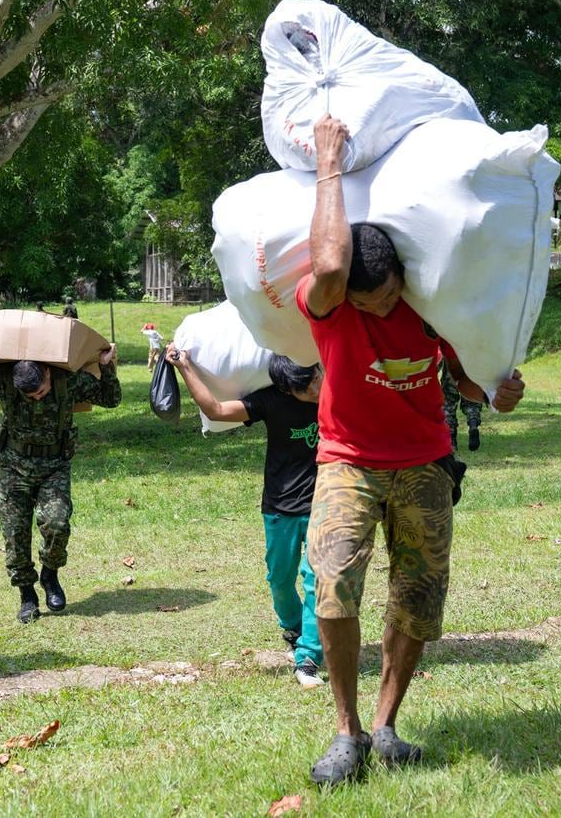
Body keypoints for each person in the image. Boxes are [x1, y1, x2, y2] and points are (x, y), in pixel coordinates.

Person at [297, 115, 525, 784]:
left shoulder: (434, 305)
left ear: (403, 275)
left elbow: (469, 384)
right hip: (346, 460)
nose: (376, 310)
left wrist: (498, 392)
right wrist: (329, 160)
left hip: (426, 461)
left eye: (387, 297)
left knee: (419, 596)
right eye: (365, 304)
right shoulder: (331, 302)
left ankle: (388, 724)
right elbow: (334, 263)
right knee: (335, 587)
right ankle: (347, 735)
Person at [168, 347, 326, 688]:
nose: (317, 388)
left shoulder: (332, 393)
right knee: (280, 580)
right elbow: (216, 409)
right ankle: (295, 629)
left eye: (317, 378)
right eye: (308, 386)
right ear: (287, 388)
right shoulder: (271, 401)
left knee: (317, 581)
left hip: (324, 504)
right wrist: (184, 366)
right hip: (280, 507)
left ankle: (309, 658)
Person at [0, 341, 121, 623]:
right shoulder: (4, 380)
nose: (36, 398)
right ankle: (27, 595)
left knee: (57, 523)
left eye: (40, 392)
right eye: (30, 395)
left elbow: (111, 398)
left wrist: (107, 365)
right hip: (14, 466)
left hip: (54, 465)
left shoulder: (67, 382)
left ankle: (50, 574)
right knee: (15, 534)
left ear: (47, 372)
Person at [440, 362, 483, 452]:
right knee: (472, 400)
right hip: (474, 363)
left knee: (449, 401)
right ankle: (473, 425)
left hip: (453, 364)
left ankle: (452, 443)